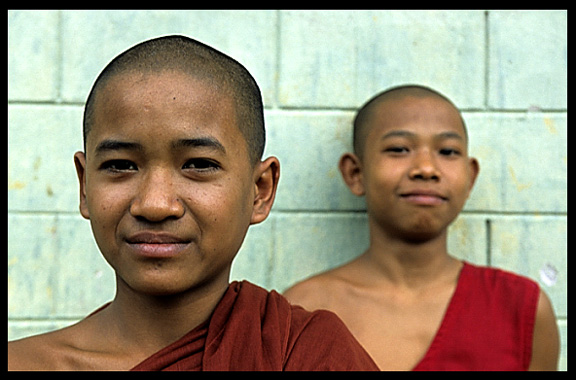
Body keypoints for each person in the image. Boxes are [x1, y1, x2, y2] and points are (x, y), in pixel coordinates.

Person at [8, 35, 378, 371]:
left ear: (260, 189)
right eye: (120, 165)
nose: (154, 205)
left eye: (199, 164)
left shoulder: (306, 355)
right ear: (85, 185)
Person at [284, 85, 560, 371]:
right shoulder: (302, 311)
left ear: (470, 177)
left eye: (448, 151)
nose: (426, 168)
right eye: (399, 149)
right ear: (356, 173)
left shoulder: (521, 309)